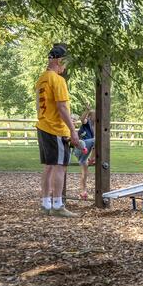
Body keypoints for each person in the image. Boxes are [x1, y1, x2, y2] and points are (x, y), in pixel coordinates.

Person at [35, 44, 79, 217]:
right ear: (59, 60)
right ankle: (58, 205)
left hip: (43, 126)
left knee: (49, 166)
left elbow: (42, 106)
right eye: (65, 63)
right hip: (56, 129)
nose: (65, 67)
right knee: (60, 166)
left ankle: (45, 204)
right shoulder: (58, 80)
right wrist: (73, 130)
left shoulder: (41, 79)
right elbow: (62, 107)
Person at [70, 113, 94, 200]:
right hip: (79, 150)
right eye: (71, 119)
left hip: (83, 152)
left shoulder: (87, 129)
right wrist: (87, 110)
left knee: (85, 172)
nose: (73, 121)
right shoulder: (85, 124)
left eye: (74, 120)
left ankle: (83, 191)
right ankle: (92, 158)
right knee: (92, 141)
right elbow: (83, 118)